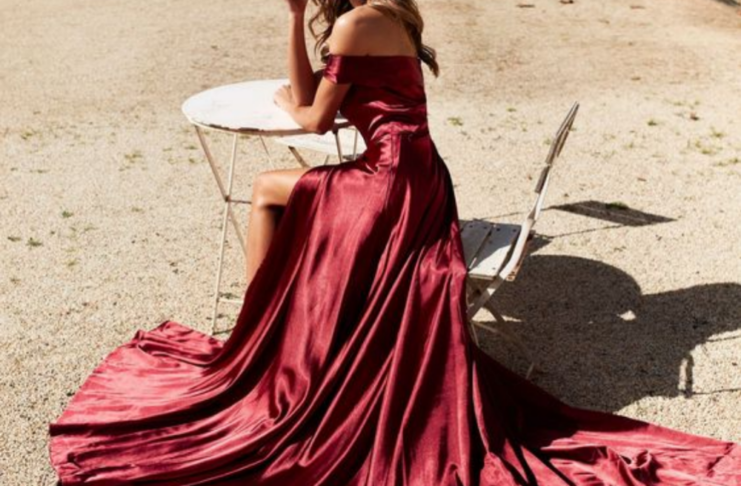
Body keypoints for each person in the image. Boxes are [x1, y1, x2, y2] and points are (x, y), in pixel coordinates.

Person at [48, 0, 741, 484]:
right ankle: (276, 332)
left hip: (385, 182)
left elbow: (311, 117)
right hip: (417, 176)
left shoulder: (355, 22)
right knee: (286, 191)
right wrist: (299, 28)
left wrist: (292, 40)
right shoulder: (391, 13)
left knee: (265, 190)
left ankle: (259, 338)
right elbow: (317, 100)